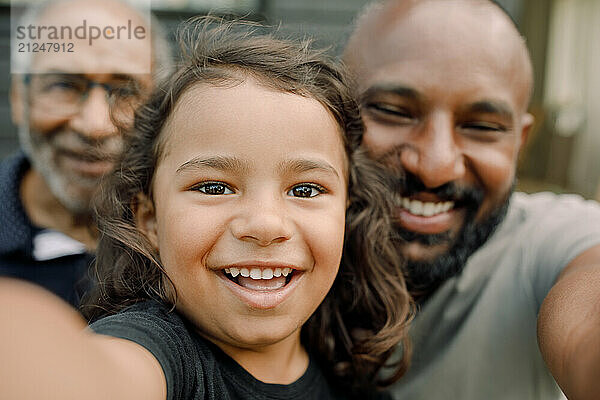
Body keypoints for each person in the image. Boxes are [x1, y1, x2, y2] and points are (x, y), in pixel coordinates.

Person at [0, 18, 414, 400]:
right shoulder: (160, 352)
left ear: (347, 211)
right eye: (215, 186)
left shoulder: (352, 377)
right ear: (150, 219)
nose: (266, 225)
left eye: (305, 190)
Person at [343, 0, 600, 399]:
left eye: (481, 126)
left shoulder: (551, 241)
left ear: (520, 142)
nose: (434, 166)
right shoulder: (273, 251)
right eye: (393, 111)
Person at [1, 0, 171, 306]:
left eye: (125, 90)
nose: (95, 125)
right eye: (64, 85)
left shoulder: (183, 242)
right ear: (18, 98)